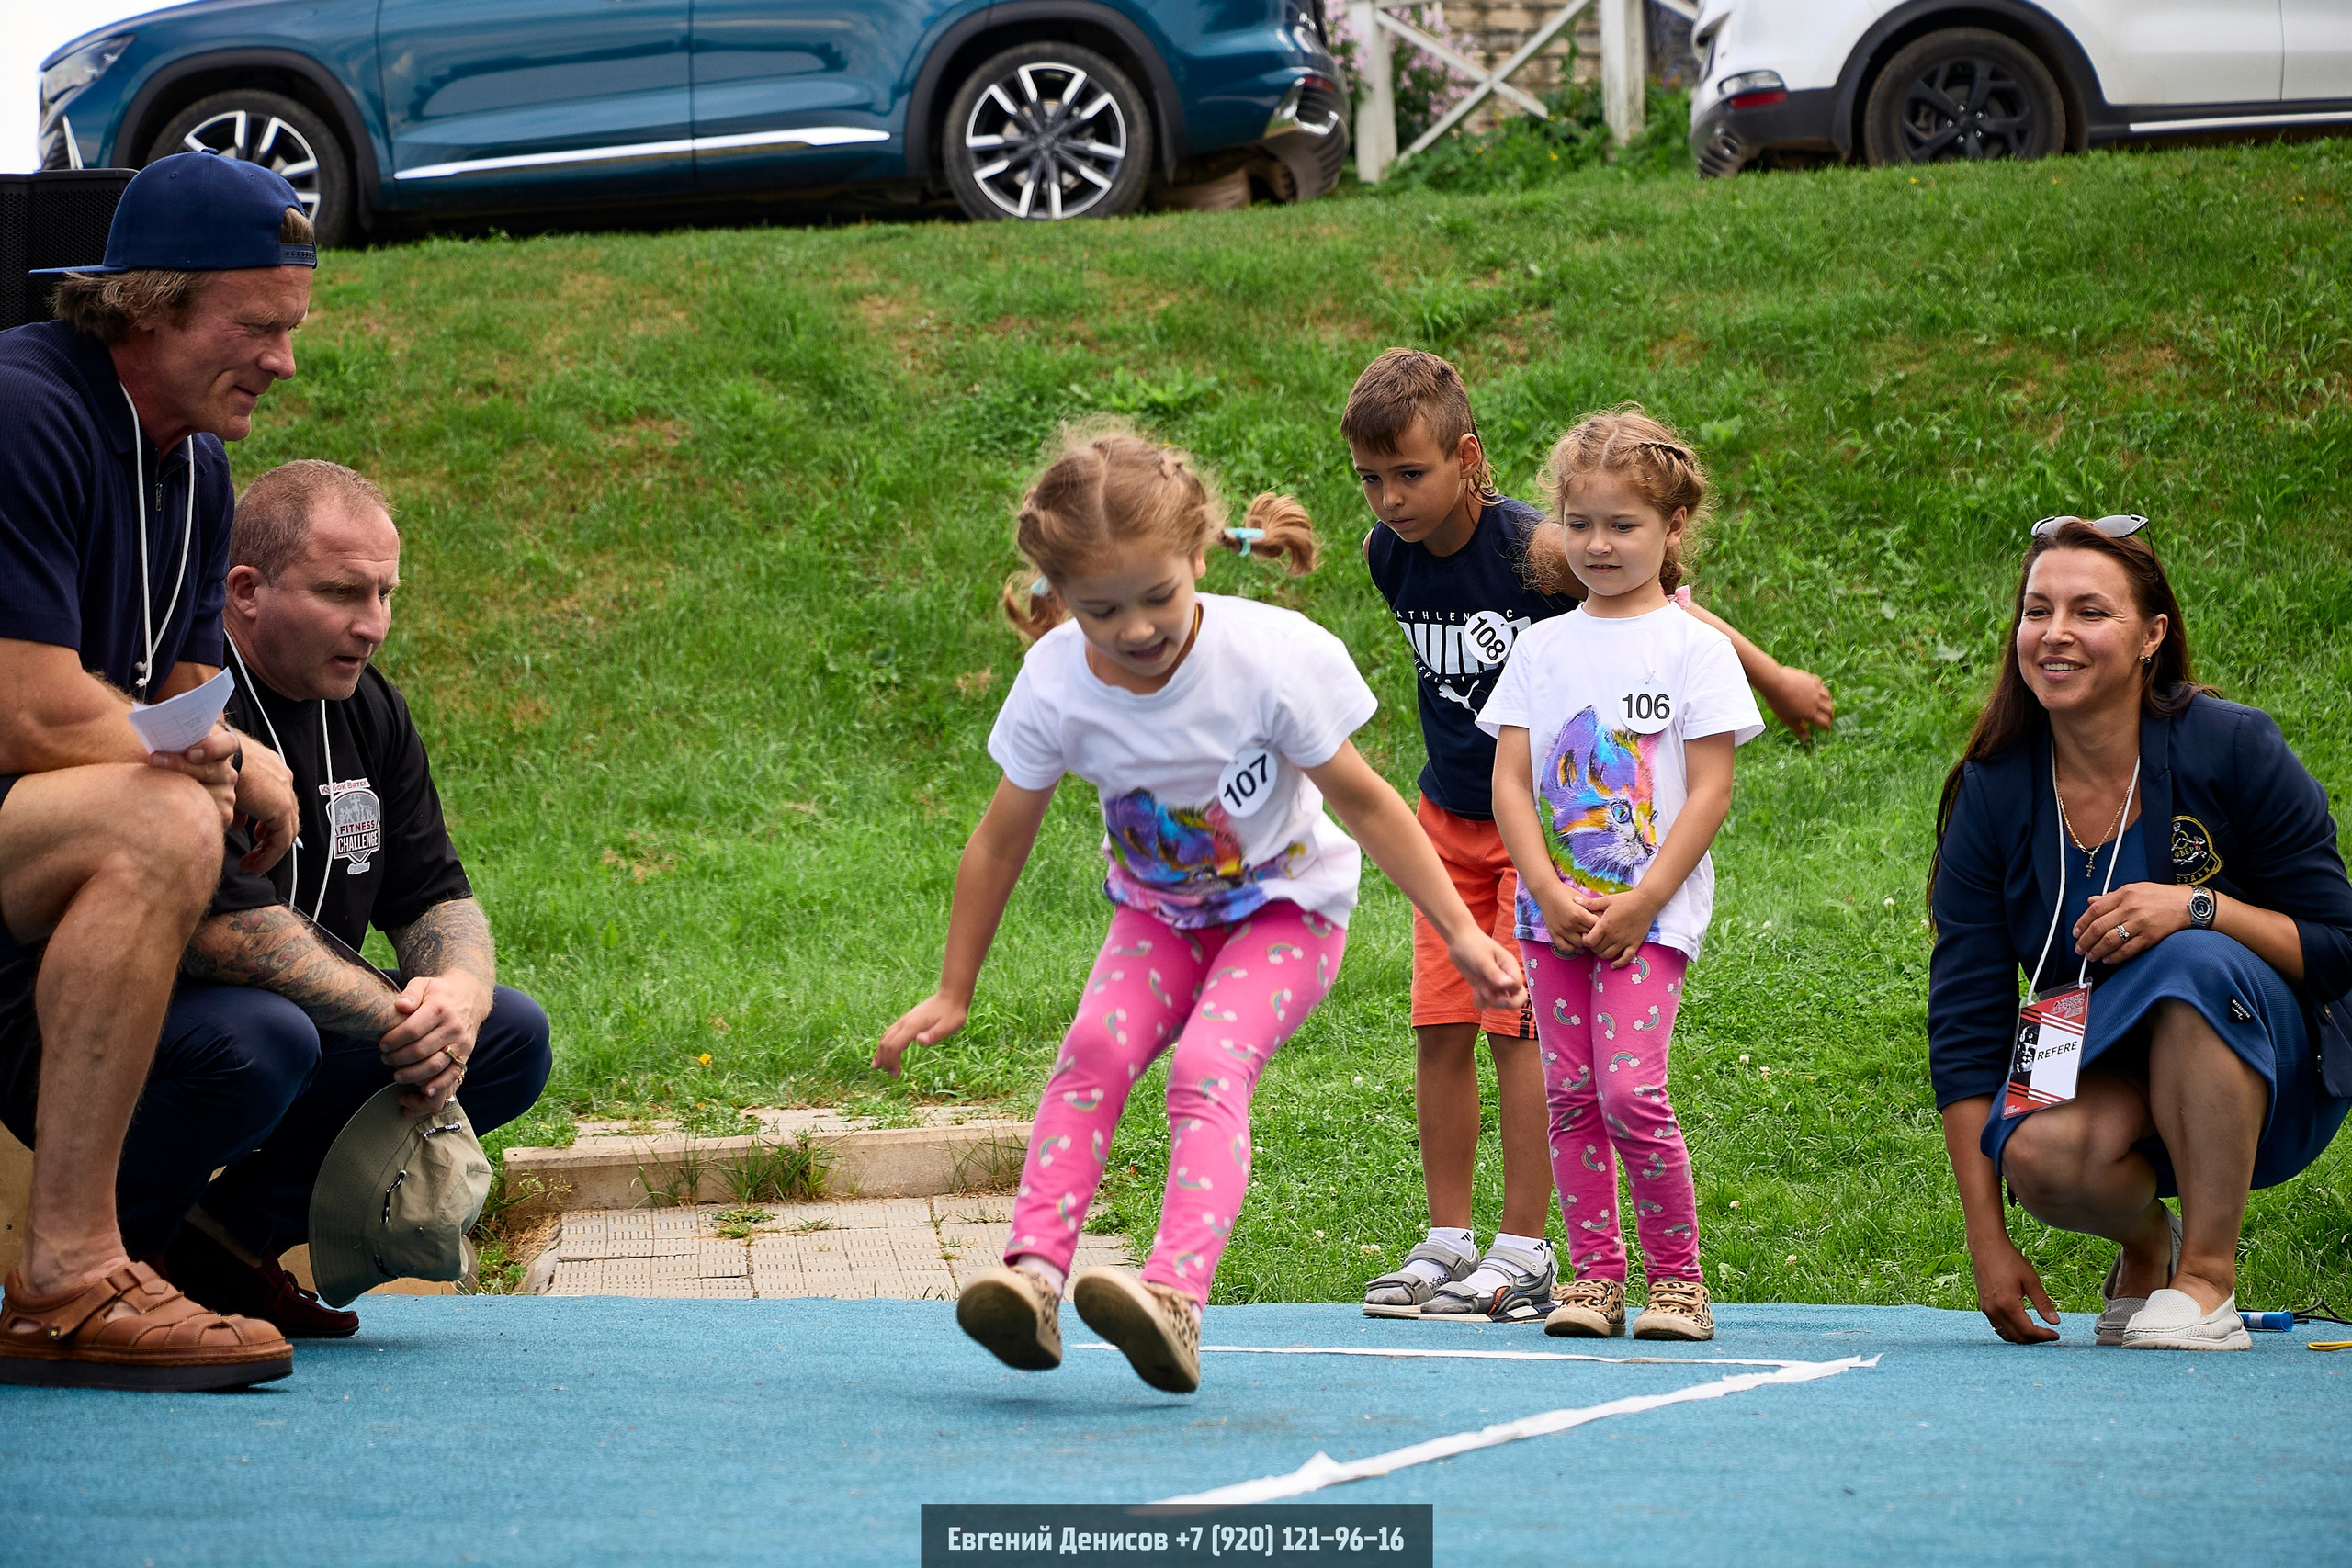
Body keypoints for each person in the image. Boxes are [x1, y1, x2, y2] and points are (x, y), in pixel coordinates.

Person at [874, 424, 1526, 1393]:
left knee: (1208, 1069)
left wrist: (1463, 931)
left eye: (1158, 598)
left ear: (1196, 558)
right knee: (1091, 1051)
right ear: (1058, 600)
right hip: (1157, 915)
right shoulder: (1054, 683)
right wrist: (952, 987)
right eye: (1100, 611)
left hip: (1285, 909)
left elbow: (1366, 802)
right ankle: (1034, 1277)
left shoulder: (1267, 659)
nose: (1136, 630)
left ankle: (1174, 1298)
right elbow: (998, 839)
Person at [1344, 349, 1828, 1322]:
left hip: (1577, 850)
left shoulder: (1543, 551)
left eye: (1409, 474)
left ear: (1466, 459)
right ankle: (1451, 1241)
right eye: (1370, 478)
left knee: (1545, 1050)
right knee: (1443, 1028)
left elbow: (1671, 613)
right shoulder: (1387, 556)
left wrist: (1772, 678)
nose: (1389, 499)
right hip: (1462, 829)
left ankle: (1535, 1251)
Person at [0, 153, 314, 1391]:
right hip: (35, 811)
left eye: (291, 330)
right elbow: (28, 711)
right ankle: (67, 1278)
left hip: (39, 844)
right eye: (255, 326)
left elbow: (178, 698)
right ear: (147, 304)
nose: (282, 361)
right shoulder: (28, 404)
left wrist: (223, 754)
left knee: (302, 1030)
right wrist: (228, 753)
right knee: (159, 822)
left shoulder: (198, 463)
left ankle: (180, 1248)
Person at [143, 459, 553, 1338]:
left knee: (510, 1035)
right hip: (141, 1035)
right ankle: (128, 1260)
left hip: (297, 1035)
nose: (374, 625)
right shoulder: (189, 706)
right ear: (246, 590)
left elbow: (437, 898)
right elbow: (225, 938)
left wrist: (460, 1000)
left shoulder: (369, 707)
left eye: (385, 593)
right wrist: (403, 1019)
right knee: (265, 1038)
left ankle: (221, 1243)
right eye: (342, 594)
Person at [1928, 516, 2352, 1350]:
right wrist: (1988, 1242)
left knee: (2188, 959)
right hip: (2081, 1028)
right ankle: (2145, 1245)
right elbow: (1968, 1026)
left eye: (2089, 611)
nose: (2055, 634)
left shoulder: (2233, 746)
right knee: (2033, 1146)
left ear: (2152, 635)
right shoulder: (1990, 788)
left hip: (2264, 1052)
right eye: (2036, 610)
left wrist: (2198, 906)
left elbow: (2340, 943)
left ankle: (2206, 1281)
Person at [1481, 407, 1763, 1343]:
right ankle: (1595, 1281)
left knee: (1629, 1093)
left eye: (1622, 525)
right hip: (1549, 916)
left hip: (1654, 913)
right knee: (1567, 1096)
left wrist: (1643, 901)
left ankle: (1677, 1283)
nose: (1596, 544)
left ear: (1673, 529)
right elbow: (1512, 785)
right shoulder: (1540, 646)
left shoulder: (1697, 649)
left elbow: (1711, 791)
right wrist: (1548, 896)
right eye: (1578, 521)